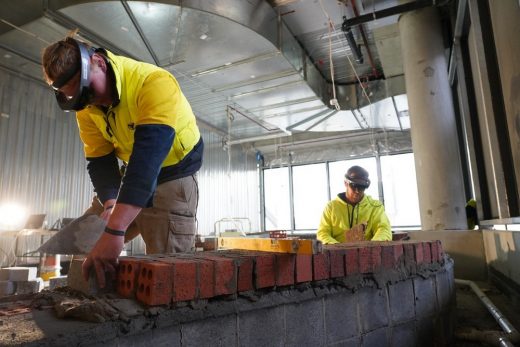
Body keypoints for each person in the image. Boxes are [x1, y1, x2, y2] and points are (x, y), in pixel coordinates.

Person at [41, 32, 204, 287]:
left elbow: (147, 160)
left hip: (173, 173)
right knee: (87, 245)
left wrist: (116, 230)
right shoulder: (86, 106)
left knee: (168, 271)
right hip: (133, 171)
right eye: (79, 100)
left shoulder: (155, 82)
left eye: (89, 91)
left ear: (100, 63)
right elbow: (100, 160)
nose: (89, 103)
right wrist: (109, 204)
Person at [317, 165, 391, 244]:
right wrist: (337, 248)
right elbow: (323, 233)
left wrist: (371, 247)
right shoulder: (331, 207)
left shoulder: (375, 207)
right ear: (346, 183)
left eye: (361, 187)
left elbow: (383, 229)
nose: (357, 191)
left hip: (366, 252)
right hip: (338, 253)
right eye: (354, 186)